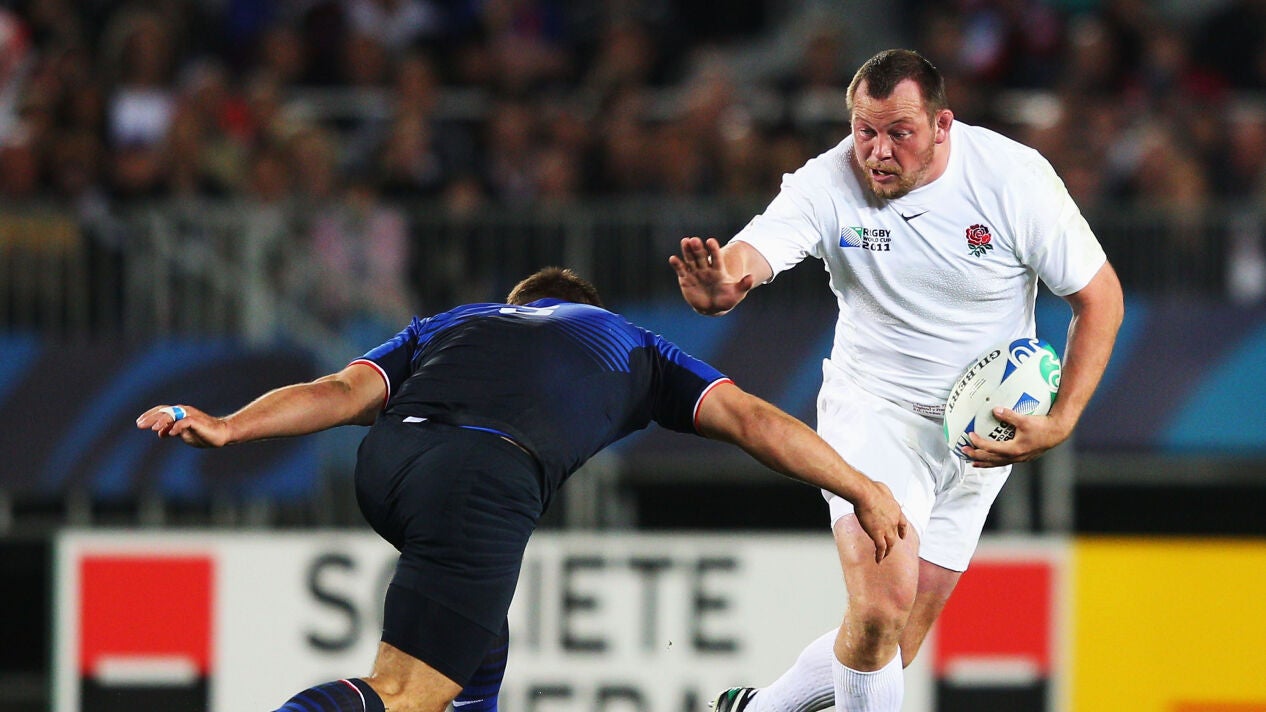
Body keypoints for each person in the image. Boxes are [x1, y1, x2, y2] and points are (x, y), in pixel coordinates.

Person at [136, 267, 908, 712]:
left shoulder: (452, 322)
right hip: (480, 476)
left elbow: (339, 390)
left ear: (520, 302)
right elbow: (754, 421)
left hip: (390, 463)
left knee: (478, 640)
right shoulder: (632, 344)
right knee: (404, 693)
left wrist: (230, 426)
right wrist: (860, 486)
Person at [670, 49, 1124, 712]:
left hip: (980, 432)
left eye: (899, 133)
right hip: (874, 413)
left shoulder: (1012, 179)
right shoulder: (828, 183)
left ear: (942, 125)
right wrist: (724, 284)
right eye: (865, 131)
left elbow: (1099, 297)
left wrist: (1061, 421)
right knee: (881, 609)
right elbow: (753, 252)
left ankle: (755, 709)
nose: (878, 152)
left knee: (893, 644)